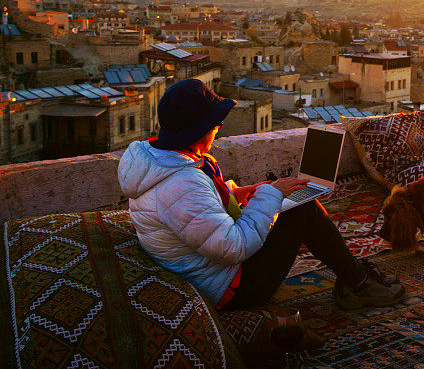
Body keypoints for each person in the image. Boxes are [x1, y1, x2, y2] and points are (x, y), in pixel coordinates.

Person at [118, 79, 405, 314]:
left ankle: (354, 276)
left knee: (292, 202)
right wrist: (270, 195)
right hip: (229, 288)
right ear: (200, 129)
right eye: (215, 123)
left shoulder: (163, 162)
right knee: (302, 209)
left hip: (208, 271)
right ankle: (358, 282)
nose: (219, 128)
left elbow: (197, 209)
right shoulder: (181, 183)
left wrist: (237, 194)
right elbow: (233, 247)